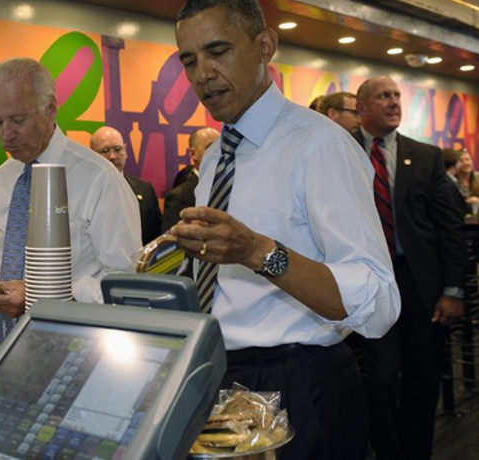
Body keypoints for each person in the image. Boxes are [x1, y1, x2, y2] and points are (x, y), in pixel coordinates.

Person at [168, 2, 400, 459]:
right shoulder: (219, 154)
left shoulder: (320, 144)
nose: (203, 74)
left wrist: (258, 251)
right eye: (190, 60)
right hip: (221, 376)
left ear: (265, 46)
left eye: (217, 51)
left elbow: (379, 301)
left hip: (299, 384)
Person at [0, 58, 141, 344]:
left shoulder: (99, 178)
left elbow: (125, 282)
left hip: (80, 347)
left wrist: (43, 296)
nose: (6, 134)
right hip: (9, 346)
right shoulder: (2, 178)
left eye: (18, 120)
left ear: (50, 109)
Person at [351, 75, 465, 460]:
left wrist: (453, 291)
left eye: (397, 95)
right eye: (384, 96)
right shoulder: (340, 151)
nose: (394, 102)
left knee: (422, 377)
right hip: (366, 284)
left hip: (418, 285)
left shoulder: (427, 157)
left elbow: (450, 228)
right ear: (361, 108)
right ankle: (387, 450)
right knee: (379, 378)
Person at [90, 126, 161, 244]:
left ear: (126, 150)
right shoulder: (82, 193)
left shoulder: (145, 190)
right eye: (105, 151)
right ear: (92, 154)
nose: (112, 156)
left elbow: (157, 235)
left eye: (118, 149)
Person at [162, 127, 219, 232]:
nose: (219, 153)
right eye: (211, 148)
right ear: (193, 154)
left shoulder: (232, 188)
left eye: (221, 147)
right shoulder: (179, 197)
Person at [442, 148, 472, 215]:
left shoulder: (449, 180)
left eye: (467, 159)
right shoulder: (449, 182)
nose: (464, 163)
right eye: (460, 161)